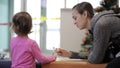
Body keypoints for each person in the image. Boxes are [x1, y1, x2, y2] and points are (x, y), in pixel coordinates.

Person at [55, 1, 120, 64]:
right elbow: (93, 54)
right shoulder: (98, 24)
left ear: (85, 14)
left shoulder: (101, 25)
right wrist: (69, 54)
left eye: (75, 18)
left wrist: (93, 54)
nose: (74, 22)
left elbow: (95, 59)